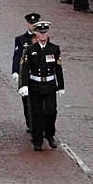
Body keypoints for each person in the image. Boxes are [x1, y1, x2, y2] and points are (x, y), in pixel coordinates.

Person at [18, 20, 65, 150]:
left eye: (45, 32)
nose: (43, 35)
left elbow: (58, 69)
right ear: (36, 34)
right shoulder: (30, 49)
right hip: (35, 84)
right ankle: (37, 140)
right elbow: (25, 68)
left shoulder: (54, 48)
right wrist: (24, 85)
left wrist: (61, 86)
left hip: (49, 84)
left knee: (51, 112)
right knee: (36, 113)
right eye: (40, 32)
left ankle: (49, 134)